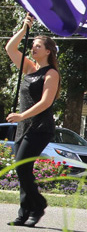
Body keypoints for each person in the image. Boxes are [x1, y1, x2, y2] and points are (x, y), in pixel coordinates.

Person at [5, 13, 60, 227]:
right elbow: (10, 48)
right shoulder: (29, 67)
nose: (33, 48)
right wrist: (24, 28)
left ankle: (38, 205)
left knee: (21, 166)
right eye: (33, 45)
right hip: (24, 126)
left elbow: (46, 102)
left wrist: (22, 116)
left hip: (40, 127)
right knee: (23, 169)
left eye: (38, 46)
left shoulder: (51, 73)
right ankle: (24, 213)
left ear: (48, 51)